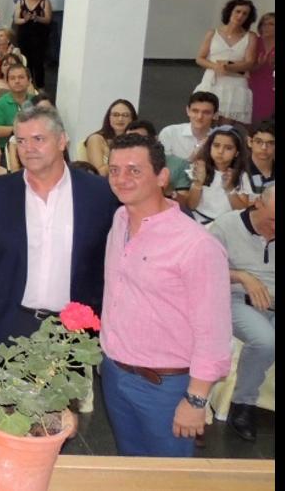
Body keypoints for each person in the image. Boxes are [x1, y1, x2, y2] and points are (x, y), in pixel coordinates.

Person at [100, 133, 232, 457]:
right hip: (115, 376)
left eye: (134, 170)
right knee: (132, 470)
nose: (121, 179)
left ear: (162, 176)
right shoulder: (119, 220)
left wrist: (197, 400)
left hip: (165, 388)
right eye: (114, 170)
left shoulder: (197, 245)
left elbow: (213, 334)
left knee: (169, 477)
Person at [0, 105, 119, 343]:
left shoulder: (98, 194)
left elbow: (111, 262)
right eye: (22, 141)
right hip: (11, 324)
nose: (29, 149)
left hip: (76, 332)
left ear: (62, 141)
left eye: (38, 139)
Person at [207, 184, 275, 443]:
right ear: (257, 203)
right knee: (265, 340)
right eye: (272, 220)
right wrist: (241, 277)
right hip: (235, 298)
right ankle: (243, 404)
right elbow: (204, 270)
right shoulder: (227, 226)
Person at [194, 0, 259, 124]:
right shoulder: (213, 33)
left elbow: (249, 63)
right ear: (230, 12)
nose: (240, 16)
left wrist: (226, 66)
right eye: (238, 11)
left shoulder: (251, 36)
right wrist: (215, 66)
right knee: (204, 122)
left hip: (235, 85)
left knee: (225, 128)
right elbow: (200, 58)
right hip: (211, 83)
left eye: (245, 13)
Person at [184, 126, 252, 224]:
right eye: (216, 145)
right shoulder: (200, 168)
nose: (220, 151)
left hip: (227, 225)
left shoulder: (241, 175)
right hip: (199, 221)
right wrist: (198, 184)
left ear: (237, 152)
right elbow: (191, 206)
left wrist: (230, 190)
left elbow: (242, 210)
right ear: (209, 147)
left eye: (228, 148)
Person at [158, 91, 218, 166]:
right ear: (188, 111)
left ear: (215, 115)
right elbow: (164, 169)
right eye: (195, 111)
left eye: (206, 112)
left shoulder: (219, 139)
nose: (199, 117)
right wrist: (194, 155)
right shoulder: (169, 133)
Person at [13, 0, 52, 88]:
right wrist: (25, 20)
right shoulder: (21, 1)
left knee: (38, 61)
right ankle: (27, 86)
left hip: (39, 35)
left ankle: (40, 87)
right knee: (26, 61)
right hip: (24, 34)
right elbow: (16, 19)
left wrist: (37, 18)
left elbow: (48, 19)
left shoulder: (45, 1)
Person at [84, 99, 138, 175]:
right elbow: (99, 173)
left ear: (132, 119)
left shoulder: (136, 141)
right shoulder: (96, 139)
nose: (120, 119)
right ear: (109, 118)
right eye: (115, 115)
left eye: (125, 115)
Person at [249, 13, 275, 123]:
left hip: (272, 86)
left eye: (271, 24)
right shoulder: (254, 41)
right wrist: (259, 65)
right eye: (263, 24)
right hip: (253, 84)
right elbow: (243, 67)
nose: (266, 27)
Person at [46, 0, 67, 64]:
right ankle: (53, 58)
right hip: (50, 12)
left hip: (62, 12)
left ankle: (60, 60)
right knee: (52, 36)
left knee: (60, 36)